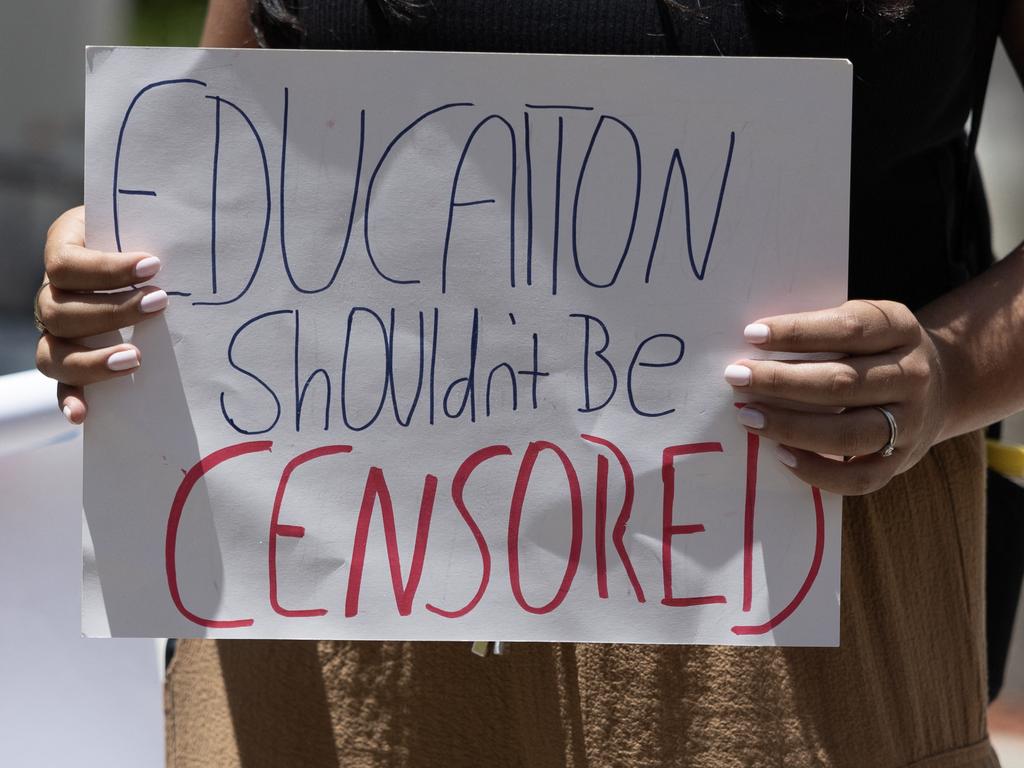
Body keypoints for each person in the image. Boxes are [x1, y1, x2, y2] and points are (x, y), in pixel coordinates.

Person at [34, 0, 1024, 765]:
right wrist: (119, 265)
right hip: (322, 610)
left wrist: (945, 369)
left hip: (790, 583)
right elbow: (227, 117)